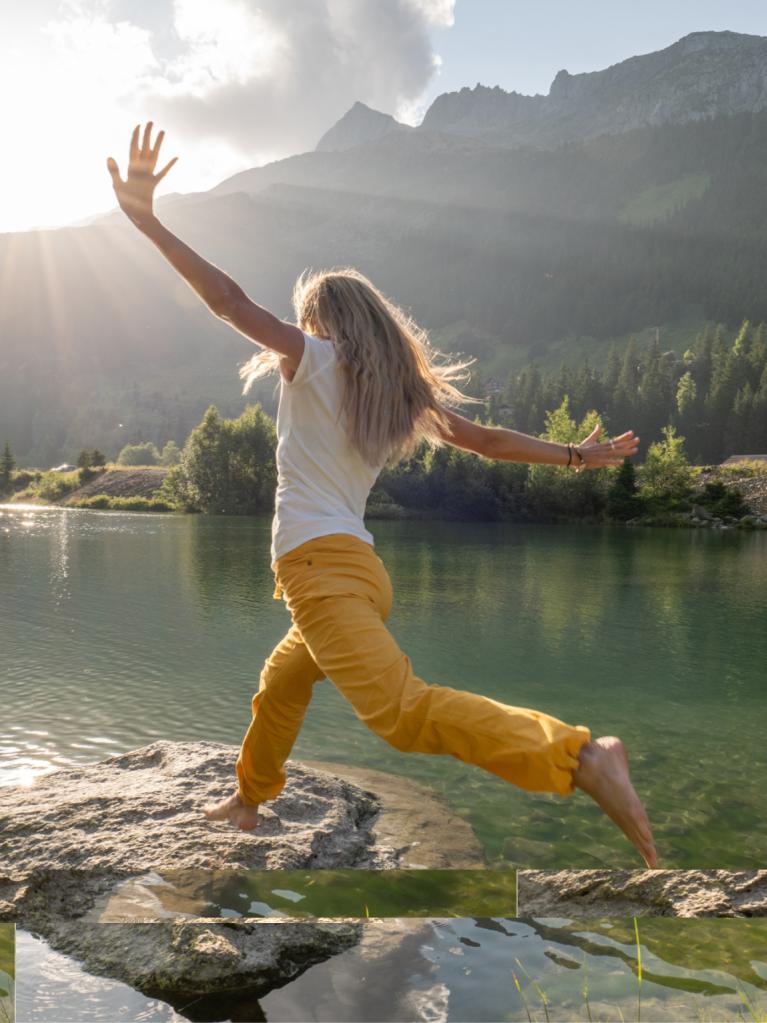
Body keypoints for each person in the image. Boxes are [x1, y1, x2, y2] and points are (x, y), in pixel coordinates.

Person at [107, 123, 657, 869]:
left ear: (319, 322)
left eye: (302, 321)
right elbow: (487, 441)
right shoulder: (396, 392)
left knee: (401, 714)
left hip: (321, 573)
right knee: (281, 685)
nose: (294, 333)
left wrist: (148, 223)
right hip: (357, 574)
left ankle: (578, 755)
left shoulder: (312, 359)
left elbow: (230, 300)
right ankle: (247, 800)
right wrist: (575, 455)